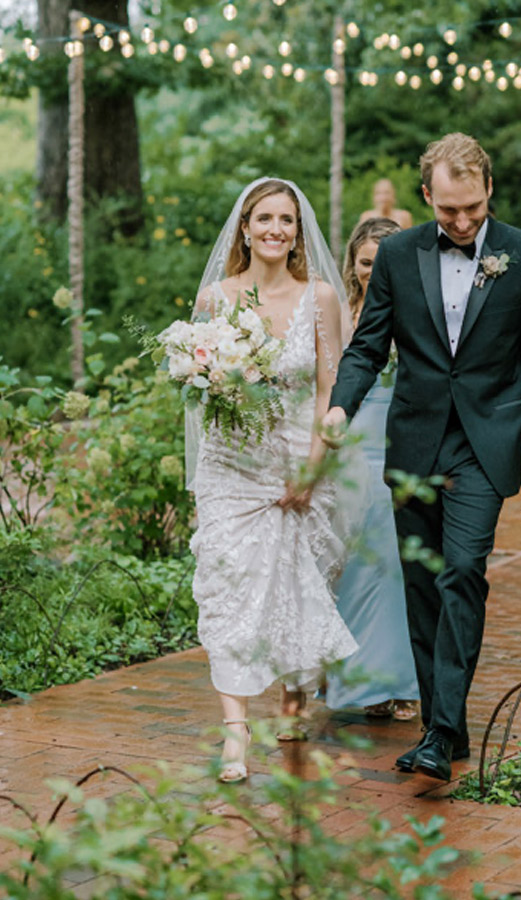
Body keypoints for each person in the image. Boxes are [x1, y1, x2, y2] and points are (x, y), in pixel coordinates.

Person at [322, 133, 521, 781]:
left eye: (473, 208)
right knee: (423, 588)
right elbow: (368, 346)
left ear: (488, 189)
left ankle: (439, 732)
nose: (461, 222)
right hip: (414, 443)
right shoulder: (398, 254)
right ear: (426, 195)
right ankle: (445, 730)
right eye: (448, 210)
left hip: (484, 446)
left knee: (462, 571)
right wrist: (341, 406)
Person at [188, 178, 358, 783]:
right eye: (265, 218)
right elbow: (200, 389)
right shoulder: (215, 299)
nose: (275, 229)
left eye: (287, 220)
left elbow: (328, 390)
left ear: (298, 231)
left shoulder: (320, 298)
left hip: (297, 455)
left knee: (296, 581)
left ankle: (295, 690)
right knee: (229, 585)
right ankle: (235, 735)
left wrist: (314, 469)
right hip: (231, 463)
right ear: (244, 227)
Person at [326, 217, 419, 721]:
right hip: (352, 445)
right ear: (353, 263)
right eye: (365, 263)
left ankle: (402, 682)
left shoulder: (416, 309)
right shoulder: (339, 311)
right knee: (351, 566)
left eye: (382, 263)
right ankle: (360, 681)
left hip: (398, 443)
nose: (373, 272)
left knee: (395, 568)